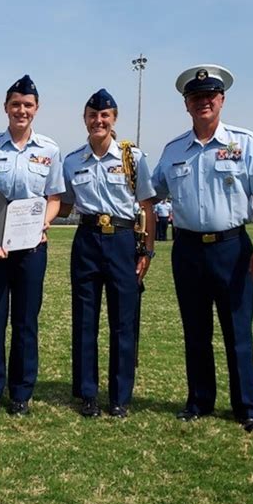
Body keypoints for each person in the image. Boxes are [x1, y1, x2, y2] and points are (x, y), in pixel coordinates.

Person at [152, 64, 253, 432]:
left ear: (221, 99)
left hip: (232, 249)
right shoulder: (174, 149)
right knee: (195, 330)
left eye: (210, 95)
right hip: (188, 249)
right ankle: (199, 401)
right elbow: (151, 191)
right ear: (186, 105)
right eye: (196, 97)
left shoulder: (245, 143)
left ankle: (248, 408)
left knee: (237, 330)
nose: (203, 102)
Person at [0, 75, 65, 418]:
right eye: (15, 104)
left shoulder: (49, 150)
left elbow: (54, 198)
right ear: (6, 108)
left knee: (26, 321)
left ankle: (21, 393)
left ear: (36, 109)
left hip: (31, 248)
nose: (21, 110)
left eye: (27, 105)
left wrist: (44, 223)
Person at [60, 88, 156, 418]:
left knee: (123, 322)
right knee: (85, 320)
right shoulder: (72, 161)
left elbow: (146, 206)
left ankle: (119, 396)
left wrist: (147, 251)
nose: (98, 120)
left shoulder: (132, 158)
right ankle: (87, 393)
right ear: (84, 119)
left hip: (123, 241)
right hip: (86, 240)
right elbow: (62, 204)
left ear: (114, 120)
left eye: (105, 116)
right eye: (92, 115)